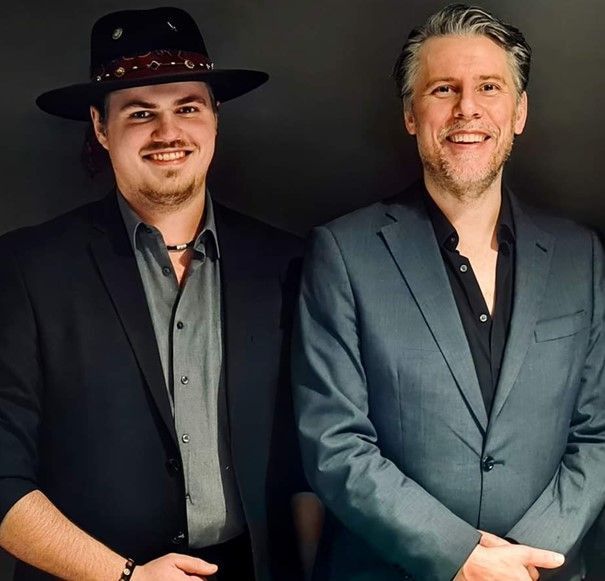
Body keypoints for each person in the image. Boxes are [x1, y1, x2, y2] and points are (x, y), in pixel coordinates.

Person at [292, 4, 605, 580]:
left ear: (519, 112)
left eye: (489, 87)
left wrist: (523, 563)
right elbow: (335, 444)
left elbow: (598, 434)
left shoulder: (580, 256)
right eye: (443, 89)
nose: (467, 108)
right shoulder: (342, 253)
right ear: (411, 115)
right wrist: (459, 557)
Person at [0, 7, 305, 581]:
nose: (168, 132)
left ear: (215, 118)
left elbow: (306, 461)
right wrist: (125, 577)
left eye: (187, 107)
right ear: (100, 126)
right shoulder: (25, 269)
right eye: (141, 113)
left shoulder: (287, 264)